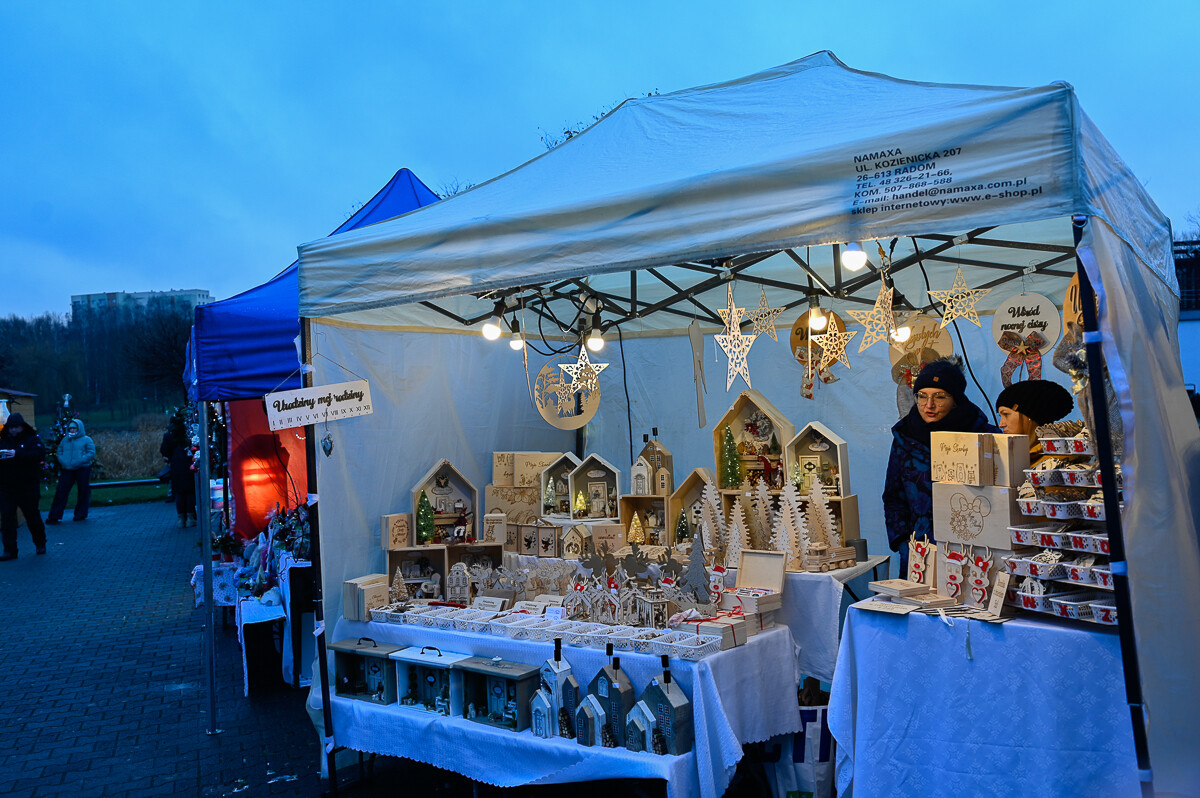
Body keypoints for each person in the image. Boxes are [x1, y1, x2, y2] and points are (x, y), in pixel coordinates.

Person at [882, 358, 999, 575]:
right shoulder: (904, 436)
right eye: (922, 396)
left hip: (974, 549)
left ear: (955, 399)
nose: (929, 405)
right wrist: (901, 542)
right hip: (920, 549)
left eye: (939, 397)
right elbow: (893, 496)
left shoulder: (983, 436)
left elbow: (1000, 495)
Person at [0, 413, 48, 560]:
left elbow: (39, 454)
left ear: (22, 427)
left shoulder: (32, 440)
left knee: (32, 517)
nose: (13, 430)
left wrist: (18, 454)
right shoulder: (3, 441)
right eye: (11, 428)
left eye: (16, 427)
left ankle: (40, 543)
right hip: (7, 487)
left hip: (27, 487)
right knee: (7, 520)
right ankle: (10, 550)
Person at [46, 419, 96, 524]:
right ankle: (54, 516)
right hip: (67, 469)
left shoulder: (87, 440)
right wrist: (63, 462)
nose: (72, 430)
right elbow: (59, 451)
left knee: (83, 491)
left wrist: (79, 461)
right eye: (70, 428)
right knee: (61, 491)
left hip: (82, 468)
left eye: (74, 428)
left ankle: (80, 514)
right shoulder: (65, 440)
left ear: (79, 429)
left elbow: (91, 453)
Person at [995, 379, 1075, 445]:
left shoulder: (1057, 461)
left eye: (1006, 414)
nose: (1001, 425)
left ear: (1028, 415)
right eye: (1000, 416)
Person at [161, 417, 197, 528]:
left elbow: (164, 451)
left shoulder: (169, 435)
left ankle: (181, 519)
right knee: (190, 492)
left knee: (179, 493)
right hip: (189, 464)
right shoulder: (189, 434)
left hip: (176, 466)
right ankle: (191, 517)